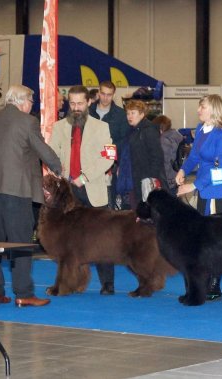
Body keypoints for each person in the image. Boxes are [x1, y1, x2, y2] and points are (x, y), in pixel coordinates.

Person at [0, 84, 62, 307]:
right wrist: (59, 167)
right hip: (18, 191)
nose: (32, 106)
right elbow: (42, 150)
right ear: (23, 101)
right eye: (31, 102)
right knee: (20, 242)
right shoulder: (28, 121)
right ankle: (24, 293)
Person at [49, 85, 115, 295]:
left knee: (103, 239)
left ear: (89, 103)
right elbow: (52, 155)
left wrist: (85, 177)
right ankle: (73, 282)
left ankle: (107, 284)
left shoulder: (101, 127)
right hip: (68, 192)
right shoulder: (59, 127)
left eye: (80, 103)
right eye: (72, 104)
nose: (76, 108)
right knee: (68, 241)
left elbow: (108, 157)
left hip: (93, 190)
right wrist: (61, 172)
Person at [175, 94, 222, 301]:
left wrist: (193, 185)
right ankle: (207, 280)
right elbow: (194, 156)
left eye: (202, 107)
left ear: (213, 109)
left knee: (217, 241)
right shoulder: (201, 129)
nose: (198, 110)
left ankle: (214, 284)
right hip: (205, 190)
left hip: (220, 192)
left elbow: (219, 168)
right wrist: (183, 170)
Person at [88, 80, 130, 291]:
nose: (105, 98)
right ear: (98, 94)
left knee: (106, 225)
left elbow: (122, 142)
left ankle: (108, 282)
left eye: (109, 94)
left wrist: (117, 164)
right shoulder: (87, 112)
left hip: (108, 174)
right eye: (103, 94)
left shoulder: (120, 115)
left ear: (113, 94)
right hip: (85, 177)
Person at [120, 100, 166, 207]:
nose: (129, 116)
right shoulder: (133, 130)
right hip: (135, 177)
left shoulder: (148, 130)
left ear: (142, 114)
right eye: (128, 113)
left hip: (145, 178)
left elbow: (157, 156)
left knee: (147, 210)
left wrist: (151, 179)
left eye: (133, 113)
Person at [154, 115, 184, 195]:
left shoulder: (163, 140)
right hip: (175, 175)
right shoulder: (175, 136)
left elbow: (164, 162)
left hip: (167, 180)